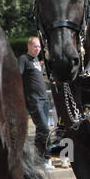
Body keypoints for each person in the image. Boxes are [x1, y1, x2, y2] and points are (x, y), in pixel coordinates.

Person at [18, 36, 54, 166]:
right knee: (45, 128)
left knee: (41, 130)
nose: (37, 49)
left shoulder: (37, 61)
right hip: (34, 99)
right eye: (35, 46)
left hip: (44, 99)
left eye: (39, 47)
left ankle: (39, 159)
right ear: (29, 46)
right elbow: (18, 75)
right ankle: (46, 157)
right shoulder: (24, 59)